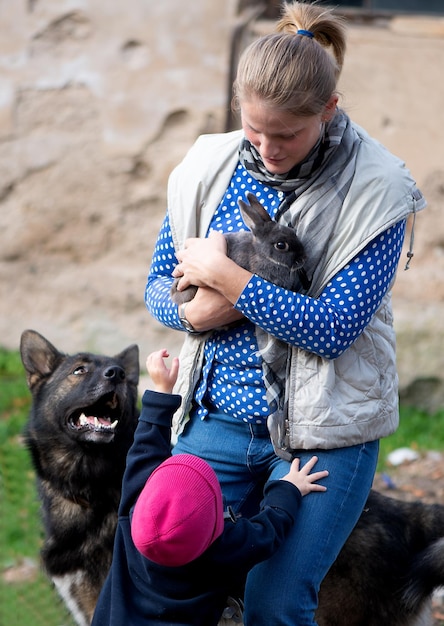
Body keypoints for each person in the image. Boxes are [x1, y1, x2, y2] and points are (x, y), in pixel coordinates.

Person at [145, 2, 426, 624]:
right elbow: (157, 286)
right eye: (254, 132)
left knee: (275, 604)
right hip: (213, 418)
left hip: (321, 434)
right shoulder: (204, 167)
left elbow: (330, 329)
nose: (269, 149)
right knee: (172, 589)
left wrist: (227, 280)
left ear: (328, 110)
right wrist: (196, 315)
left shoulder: (379, 190)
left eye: (288, 135)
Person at [91, 349, 328, 626]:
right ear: (217, 524)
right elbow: (269, 530)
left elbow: (144, 452)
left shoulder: (132, 513)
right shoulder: (222, 547)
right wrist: (289, 487)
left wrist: (161, 390)